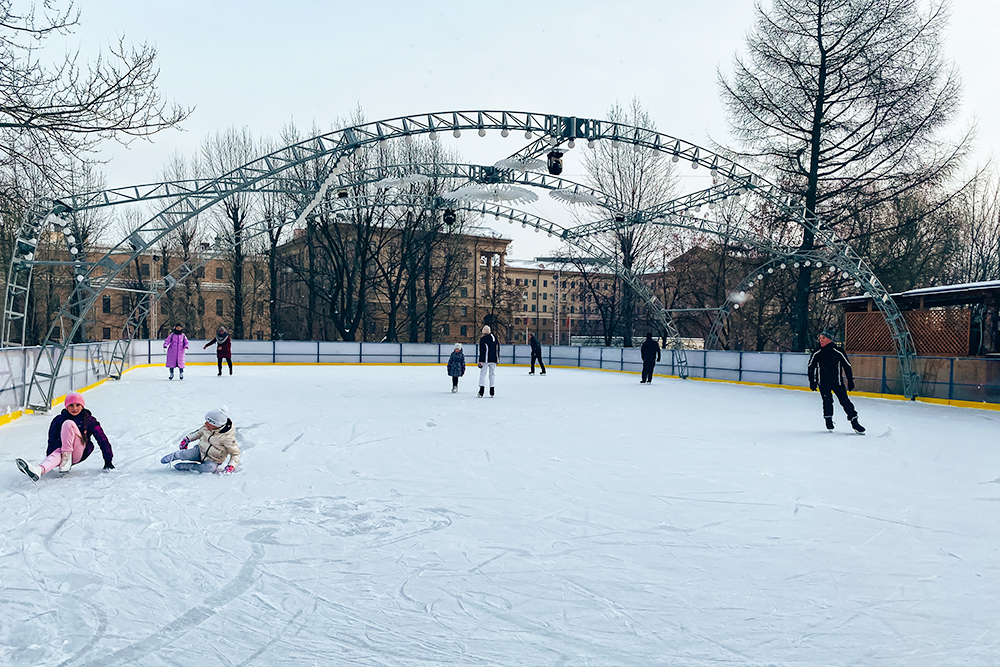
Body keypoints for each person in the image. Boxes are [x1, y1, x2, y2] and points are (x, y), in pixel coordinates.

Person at [16, 392, 114, 481]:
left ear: (82, 406)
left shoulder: (89, 420)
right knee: (56, 453)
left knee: (68, 424)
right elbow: (52, 440)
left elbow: (102, 439)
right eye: (71, 405)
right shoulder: (58, 420)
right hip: (62, 451)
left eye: (78, 405)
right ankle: (39, 470)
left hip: (79, 452)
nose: (74, 408)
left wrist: (108, 460)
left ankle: (66, 457)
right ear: (66, 406)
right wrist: (50, 457)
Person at [808, 329, 865, 433]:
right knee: (827, 401)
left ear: (830, 339)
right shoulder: (817, 352)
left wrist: (850, 381)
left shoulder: (838, 351)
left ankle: (854, 421)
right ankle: (828, 419)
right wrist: (812, 381)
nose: (821, 340)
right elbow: (810, 367)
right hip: (823, 382)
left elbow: (847, 366)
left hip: (837, 382)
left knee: (845, 401)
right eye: (820, 338)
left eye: (823, 338)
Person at [160, 407, 240, 473]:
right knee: (186, 454)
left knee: (210, 469)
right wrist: (187, 439)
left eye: (209, 423)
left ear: (217, 425)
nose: (205, 424)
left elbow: (236, 454)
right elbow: (198, 433)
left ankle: (190, 466)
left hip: (213, 459)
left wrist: (231, 465)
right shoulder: (207, 427)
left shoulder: (227, 438)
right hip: (199, 451)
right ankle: (174, 456)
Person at [477, 325, 499, 397]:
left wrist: (480, 361)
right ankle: (492, 390)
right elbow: (497, 349)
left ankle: (481, 390)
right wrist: (497, 359)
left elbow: (482, 351)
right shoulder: (495, 338)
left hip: (486, 360)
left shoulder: (483, 339)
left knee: (483, 374)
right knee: (492, 374)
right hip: (494, 360)